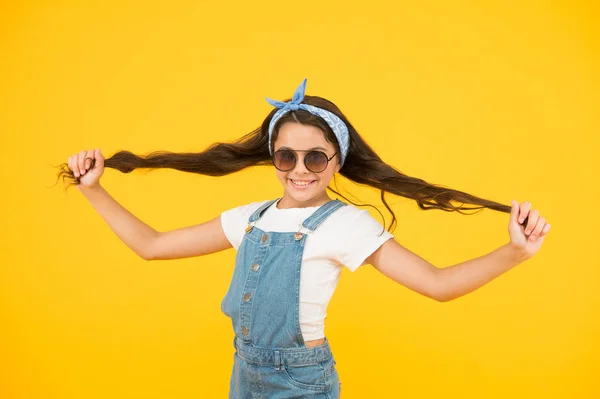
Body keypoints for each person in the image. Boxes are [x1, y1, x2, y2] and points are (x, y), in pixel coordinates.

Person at [59, 78, 551, 398]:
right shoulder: (249, 218)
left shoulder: (346, 224)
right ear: (272, 156)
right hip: (244, 374)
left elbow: (437, 284)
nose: (300, 169)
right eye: (286, 156)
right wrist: (94, 190)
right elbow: (151, 245)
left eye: (315, 157)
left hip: (301, 381)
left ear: (336, 160)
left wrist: (514, 252)